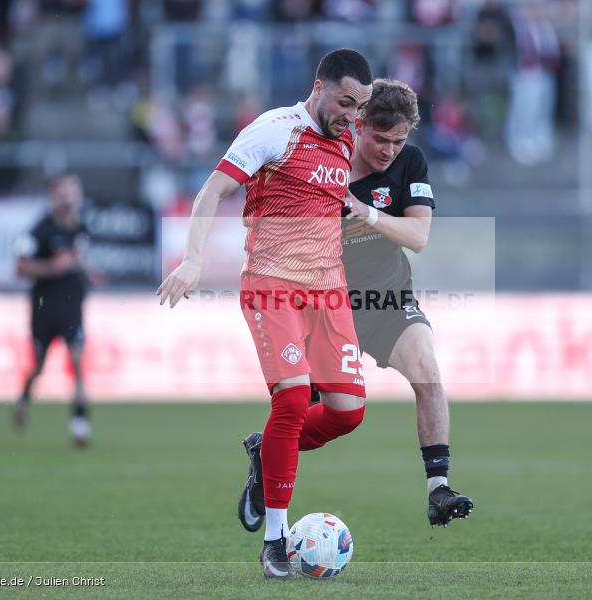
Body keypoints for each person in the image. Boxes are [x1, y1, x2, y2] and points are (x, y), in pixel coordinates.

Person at [157, 49, 373, 580]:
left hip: (329, 291)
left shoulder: (349, 137)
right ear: (318, 87)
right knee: (295, 397)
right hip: (272, 282)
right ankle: (275, 541)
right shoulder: (275, 130)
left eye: (360, 106)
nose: (352, 115)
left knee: (347, 412)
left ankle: (266, 454)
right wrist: (193, 259)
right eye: (345, 102)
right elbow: (214, 188)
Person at [339, 78, 473, 525]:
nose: (389, 150)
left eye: (398, 140)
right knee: (322, 412)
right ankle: (267, 454)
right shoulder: (326, 159)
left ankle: (439, 489)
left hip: (386, 297)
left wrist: (369, 213)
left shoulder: (411, 161)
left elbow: (418, 236)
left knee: (427, 370)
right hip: (329, 301)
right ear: (358, 125)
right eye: (380, 138)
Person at [13, 173, 92, 447]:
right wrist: (51, 268)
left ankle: (80, 424)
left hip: (72, 306)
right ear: (53, 196)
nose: (68, 197)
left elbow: (75, 263)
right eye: (63, 193)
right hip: (44, 307)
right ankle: (24, 397)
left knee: (78, 361)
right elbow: (20, 266)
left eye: (72, 192)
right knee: (39, 364)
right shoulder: (39, 230)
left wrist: (88, 274)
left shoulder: (81, 228)